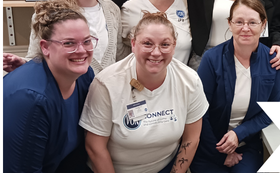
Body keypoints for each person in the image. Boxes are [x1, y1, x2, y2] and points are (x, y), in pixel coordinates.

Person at [79, 11, 208, 173]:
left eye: (165, 44)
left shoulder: (189, 80)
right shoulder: (107, 83)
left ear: (174, 46)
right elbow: (95, 147)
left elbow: (191, 139)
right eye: (147, 43)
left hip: (165, 168)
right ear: (133, 44)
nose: (156, 52)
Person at [190, 0, 280, 173]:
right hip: (209, 145)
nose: (245, 28)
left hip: (245, 144)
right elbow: (199, 112)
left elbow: (271, 111)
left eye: (252, 22)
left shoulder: (273, 61)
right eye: (239, 22)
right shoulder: (212, 59)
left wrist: (238, 133)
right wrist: (219, 154)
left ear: (263, 24)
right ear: (229, 23)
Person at [4, 0, 95, 173]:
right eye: (69, 43)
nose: (82, 50)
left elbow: (76, 152)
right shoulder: (30, 101)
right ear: (45, 47)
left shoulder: (84, 77)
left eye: (87, 41)